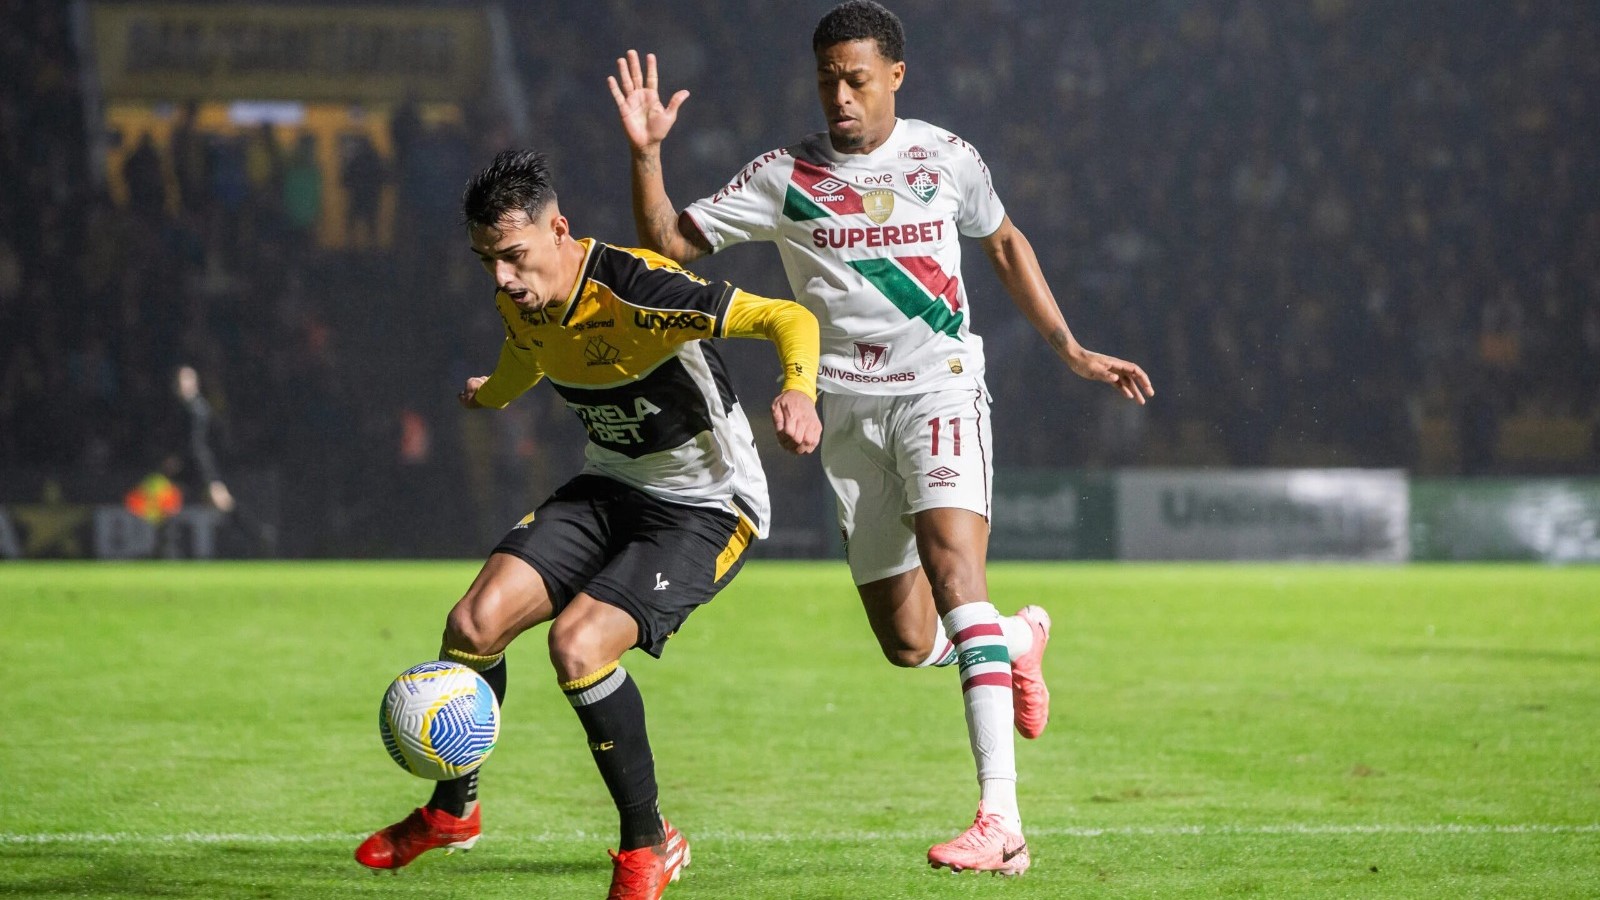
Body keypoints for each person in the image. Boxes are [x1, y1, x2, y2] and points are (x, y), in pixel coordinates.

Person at [610, 0, 1153, 875]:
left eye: (857, 79)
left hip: (941, 390)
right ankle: (1015, 641)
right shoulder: (784, 175)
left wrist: (1072, 349)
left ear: (896, 75)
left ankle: (1001, 820)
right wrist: (647, 155)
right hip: (849, 416)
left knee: (953, 572)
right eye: (827, 79)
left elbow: (1006, 244)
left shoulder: (947, 158)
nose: (840, 96)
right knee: (906, 642)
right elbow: (669, 243)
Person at [354, 149, 822, 900]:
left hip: (707, 505)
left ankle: (650, 843)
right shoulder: (521, 296)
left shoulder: (639, 287)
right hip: (611, 485)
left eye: (512, 256)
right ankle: (453, 812)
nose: (501, 278)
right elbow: (529, 352)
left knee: (578, 645)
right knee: (473, 624)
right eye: (487, 262)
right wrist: (497, 393)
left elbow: (785, 316)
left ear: (559, 230)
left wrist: (798, 392)